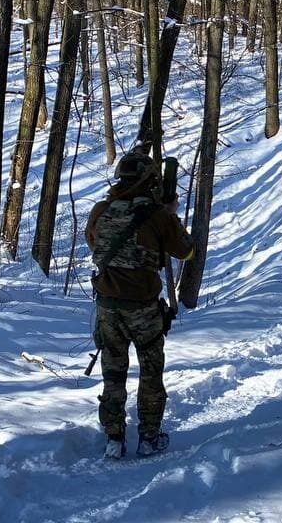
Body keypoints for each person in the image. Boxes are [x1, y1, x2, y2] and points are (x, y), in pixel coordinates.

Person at [85, 150, 193, 460]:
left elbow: (95, 244)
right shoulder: (157, 216)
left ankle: (114, 438)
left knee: (113, 374)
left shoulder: (101, 210)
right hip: (144, 309)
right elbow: (185, 251)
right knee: (150, 375)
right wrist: (169, 215)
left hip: (108, 307)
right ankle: (148, 437)